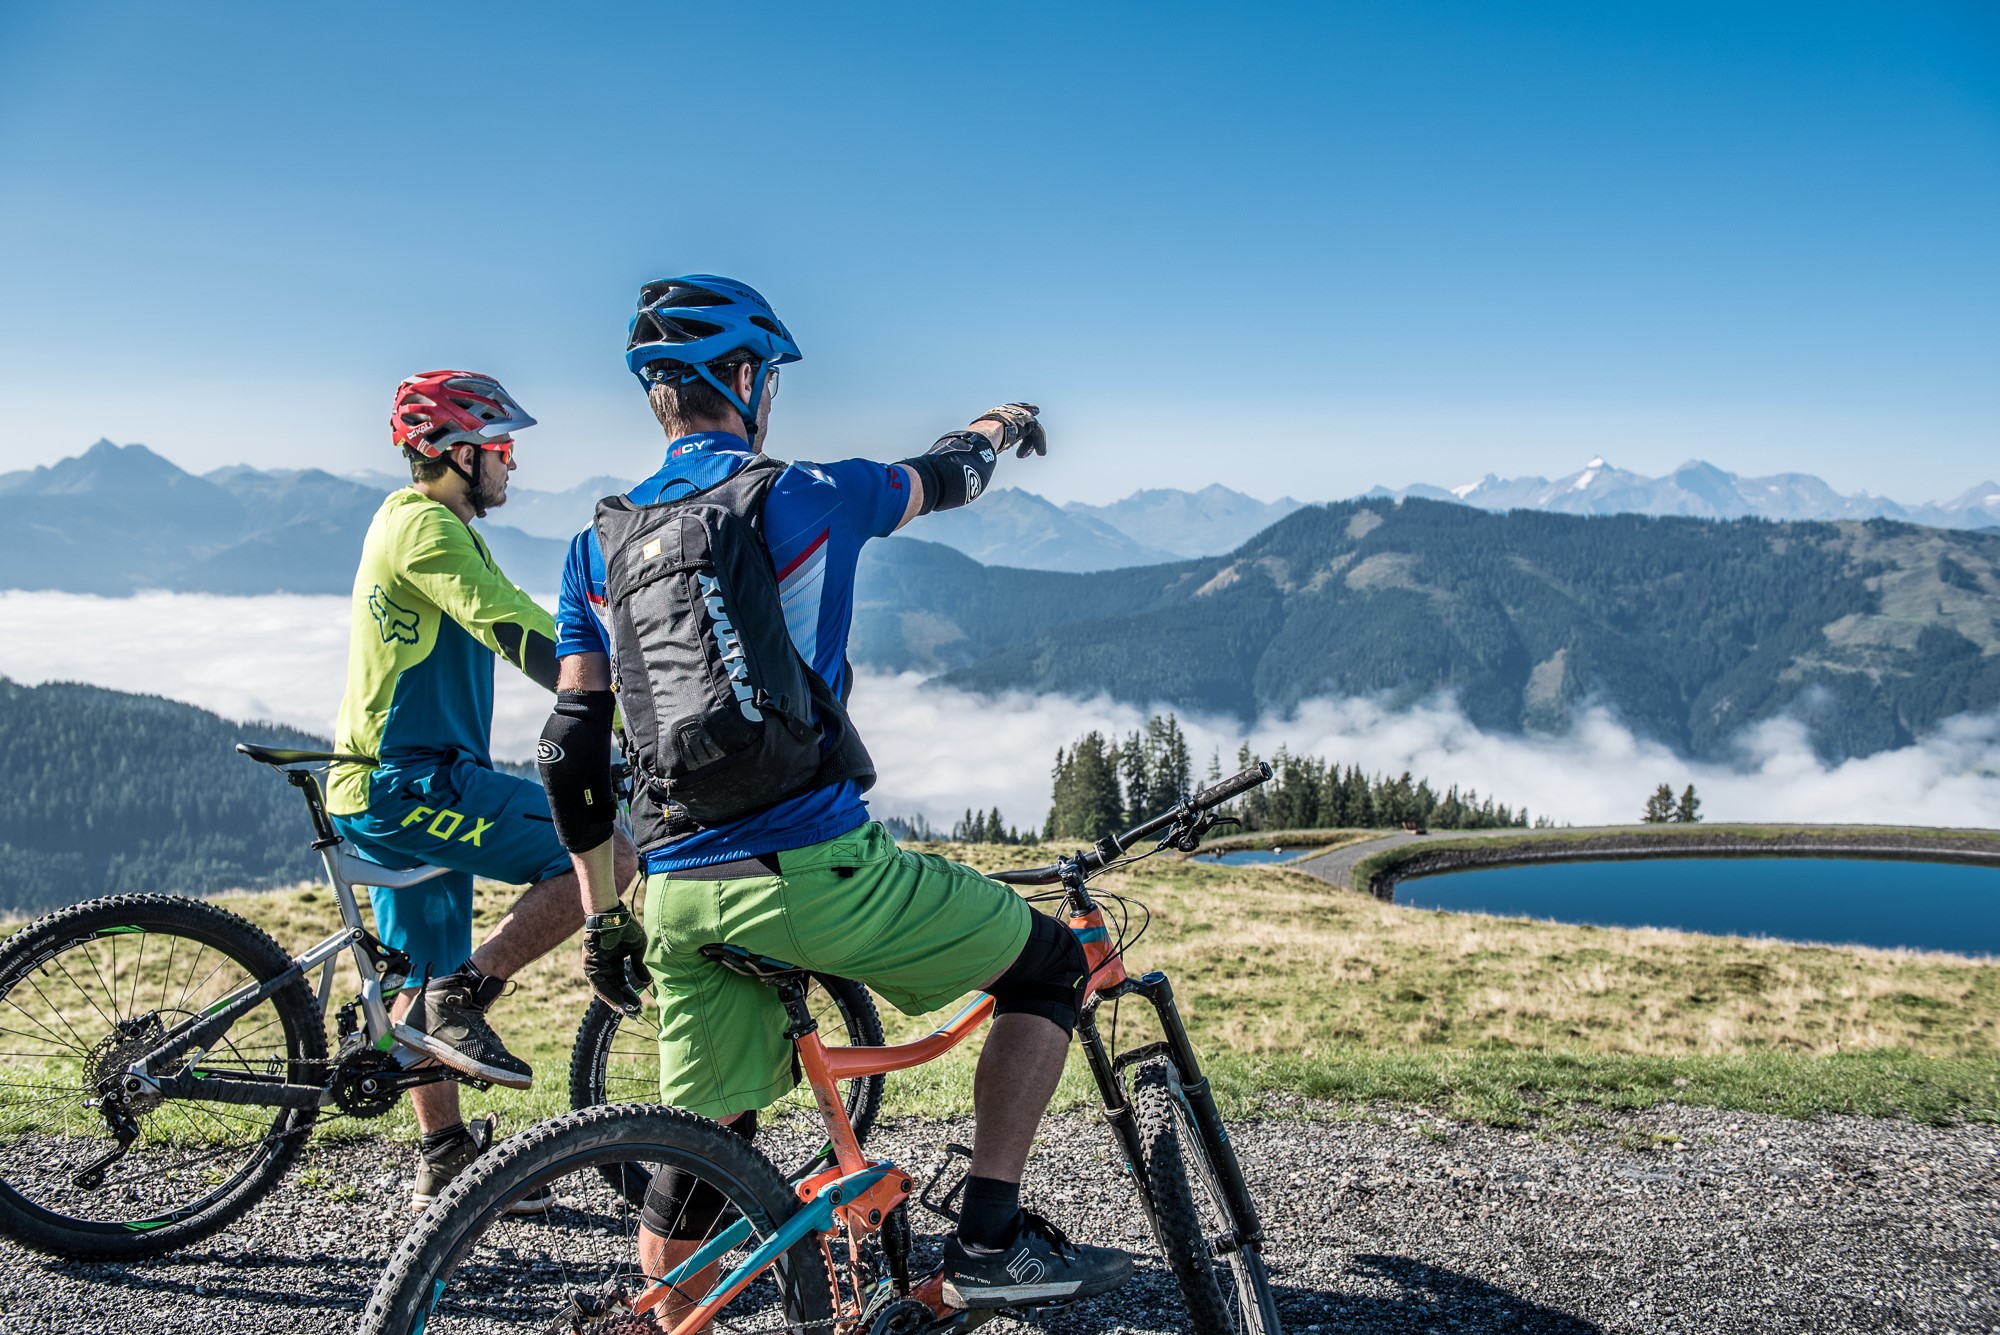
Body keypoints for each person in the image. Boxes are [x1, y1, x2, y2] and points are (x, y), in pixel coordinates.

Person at [536, 276, 1132, 1312]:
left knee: (707, 1138)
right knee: (1049, 967)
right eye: (766, 375)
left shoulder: (597, 547)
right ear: (745, 377)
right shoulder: (809, 491)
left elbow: (569, 748)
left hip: (674, 891)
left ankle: (665, 1321)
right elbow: (949, 475)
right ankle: (987, 1241)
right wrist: (1002, 422)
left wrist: (601, 919)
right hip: (813, 869)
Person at [329, 369, 638, 1209]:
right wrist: (619, 712)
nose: (512, 462)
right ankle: (467, 995)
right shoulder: (426, 528)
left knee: (421, 969)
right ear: (459, 451)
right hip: (411, 783)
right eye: (501, 445)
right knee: (607, 853)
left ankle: (444, 1153)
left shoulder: (418, 521)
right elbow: (513, 627)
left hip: (395, 784)